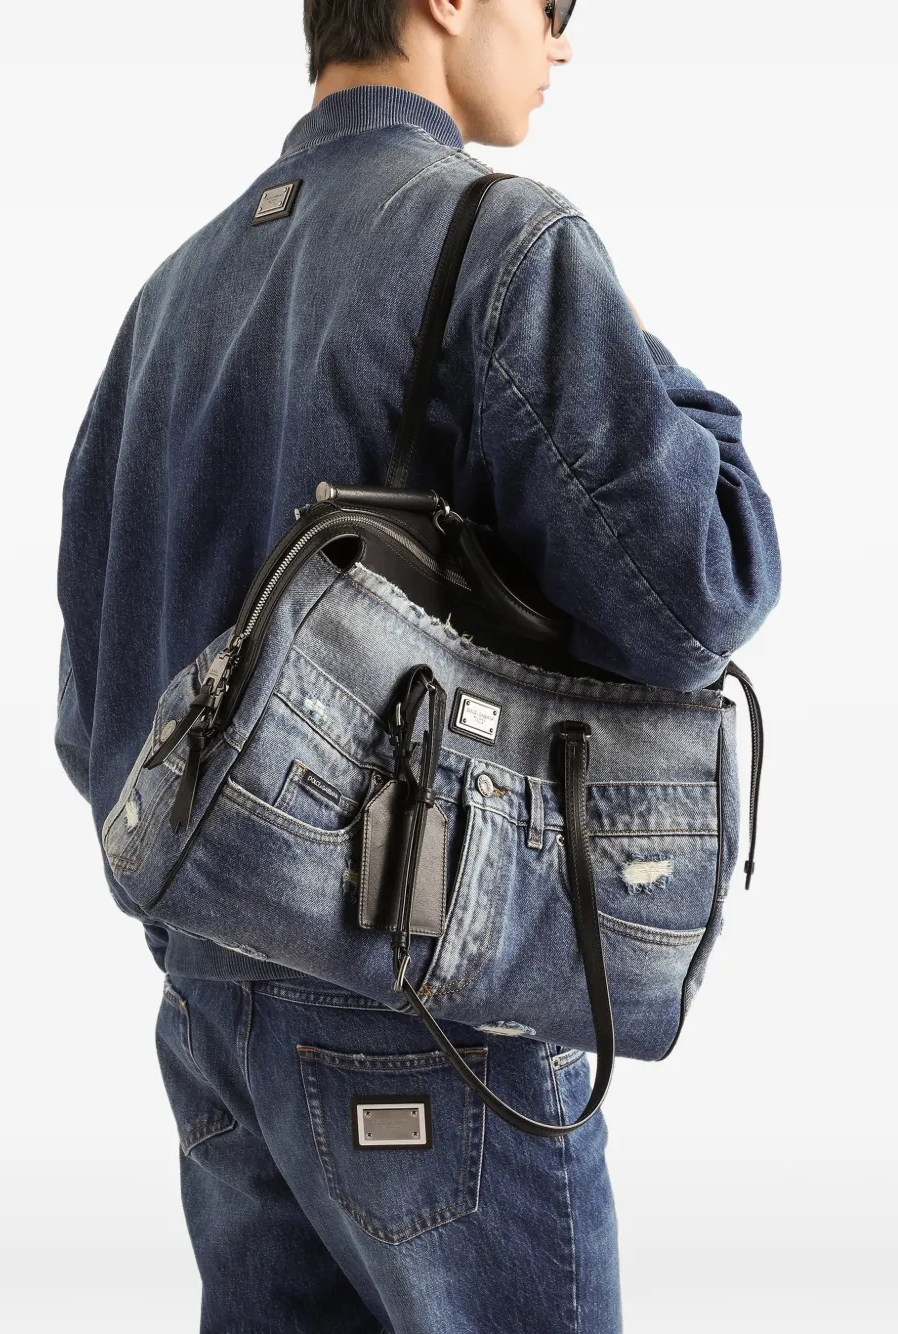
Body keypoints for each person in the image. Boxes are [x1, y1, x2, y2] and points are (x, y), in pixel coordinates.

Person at [54, 1, 780, 1330]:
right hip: (431, 1023)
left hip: (211, 1022)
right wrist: (652, 368)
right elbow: (701, 590)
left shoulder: (171, 294)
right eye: (552, 9)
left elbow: (94, 710)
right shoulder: (505, 243)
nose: (563, 47)